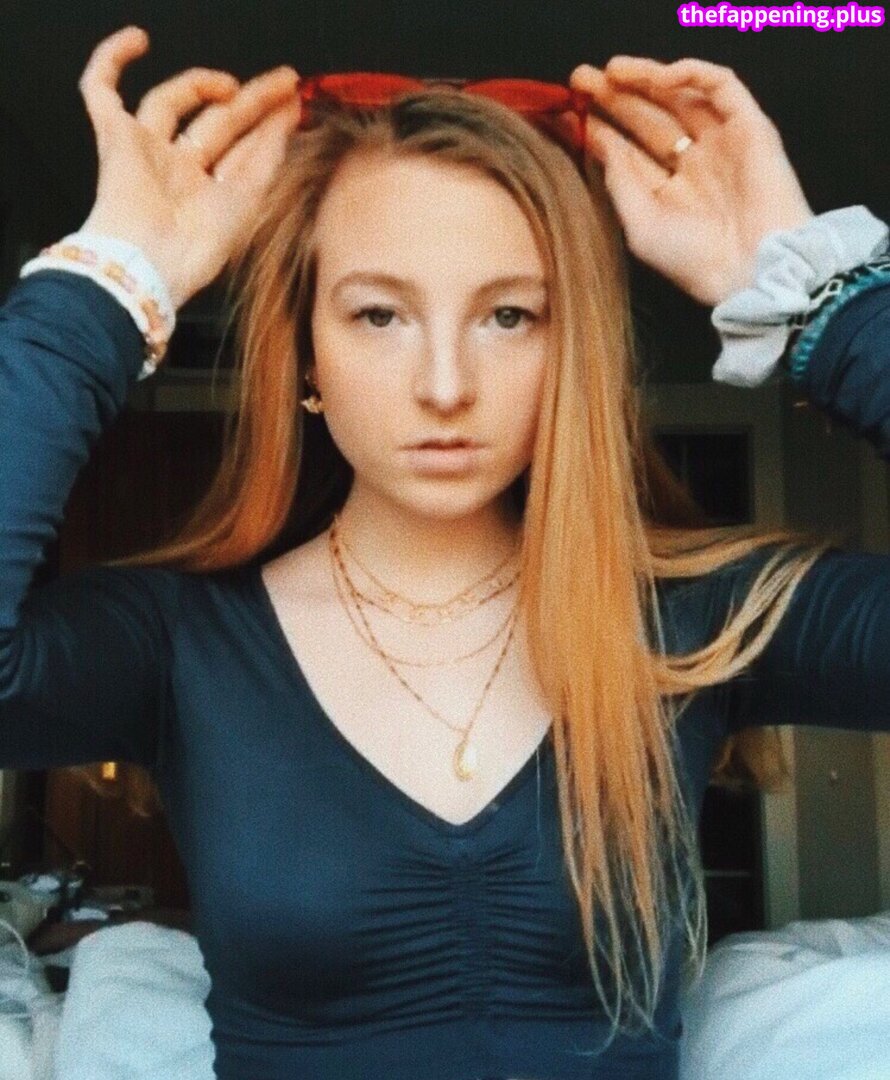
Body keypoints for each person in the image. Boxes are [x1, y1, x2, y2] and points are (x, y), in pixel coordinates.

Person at [1, 25, 888, 1080]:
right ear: (308, 350)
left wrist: (825, 300)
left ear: (572, 347)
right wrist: (104, 289)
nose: (444, 385)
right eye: (379, 314)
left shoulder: (697, 619)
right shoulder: (180, 643)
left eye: (508, 315)